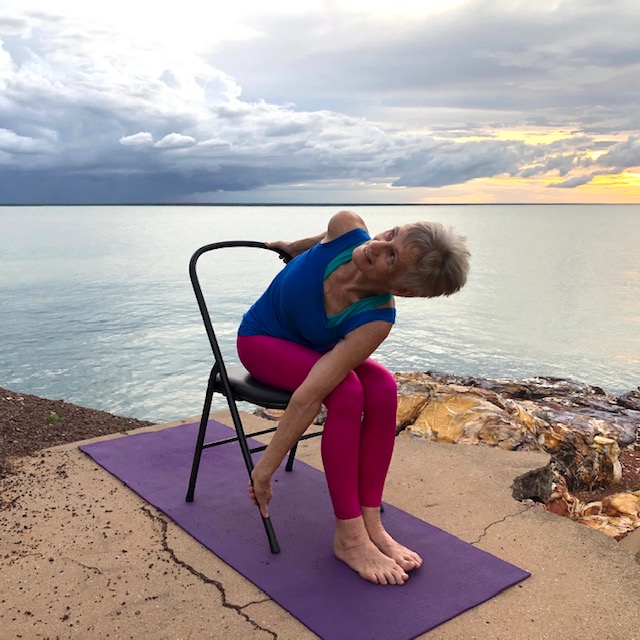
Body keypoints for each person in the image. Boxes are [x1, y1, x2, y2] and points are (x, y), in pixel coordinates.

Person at [236, 210, 470, 586]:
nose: (377, 245)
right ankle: (349, 537)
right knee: (346, 392)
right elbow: (310, 396)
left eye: (392, 256)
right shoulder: (348, 227)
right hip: (262, 341)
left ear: (404, 289)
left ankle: (370, 524)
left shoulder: (376, 318)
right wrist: (264, 472)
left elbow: (311, 392)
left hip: (314, 350)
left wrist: (264, 468)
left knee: (382, 387)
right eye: (391, 234)